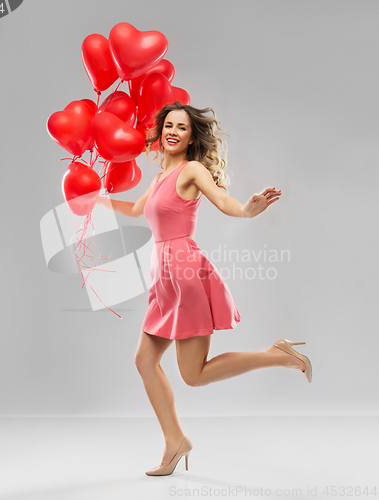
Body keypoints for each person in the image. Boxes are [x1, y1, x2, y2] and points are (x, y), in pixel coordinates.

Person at [96, 101, 312, 476]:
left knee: (193, 375)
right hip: (163, 276)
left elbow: (223, 200)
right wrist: (94, 200)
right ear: (160, 131)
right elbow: (135, 212)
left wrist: (247, 210)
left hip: (184, 273)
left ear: (191, 136)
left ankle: (279, 355)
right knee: (145, 361)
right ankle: (175, 441)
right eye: (168, 125)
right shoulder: (160, 177)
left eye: (181, 127)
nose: (173, 131)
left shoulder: (192, 170)